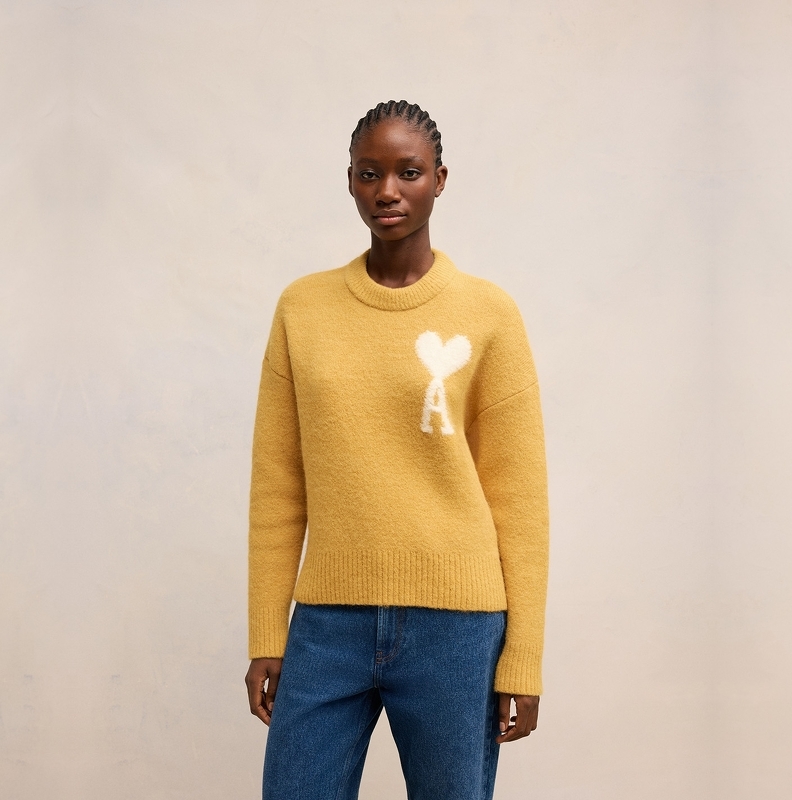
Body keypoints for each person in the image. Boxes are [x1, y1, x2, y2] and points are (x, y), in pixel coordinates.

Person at [245, 100, 549, 800]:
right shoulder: (303, 309)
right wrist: (267, 633)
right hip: (327, 623)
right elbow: (277, 486)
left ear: (439, 179)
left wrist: (523, 659)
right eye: (369, 173)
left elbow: (520, 502)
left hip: (459, 630)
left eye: (408, 172)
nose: (387, 190)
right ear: (350, 181)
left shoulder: (489, 314)